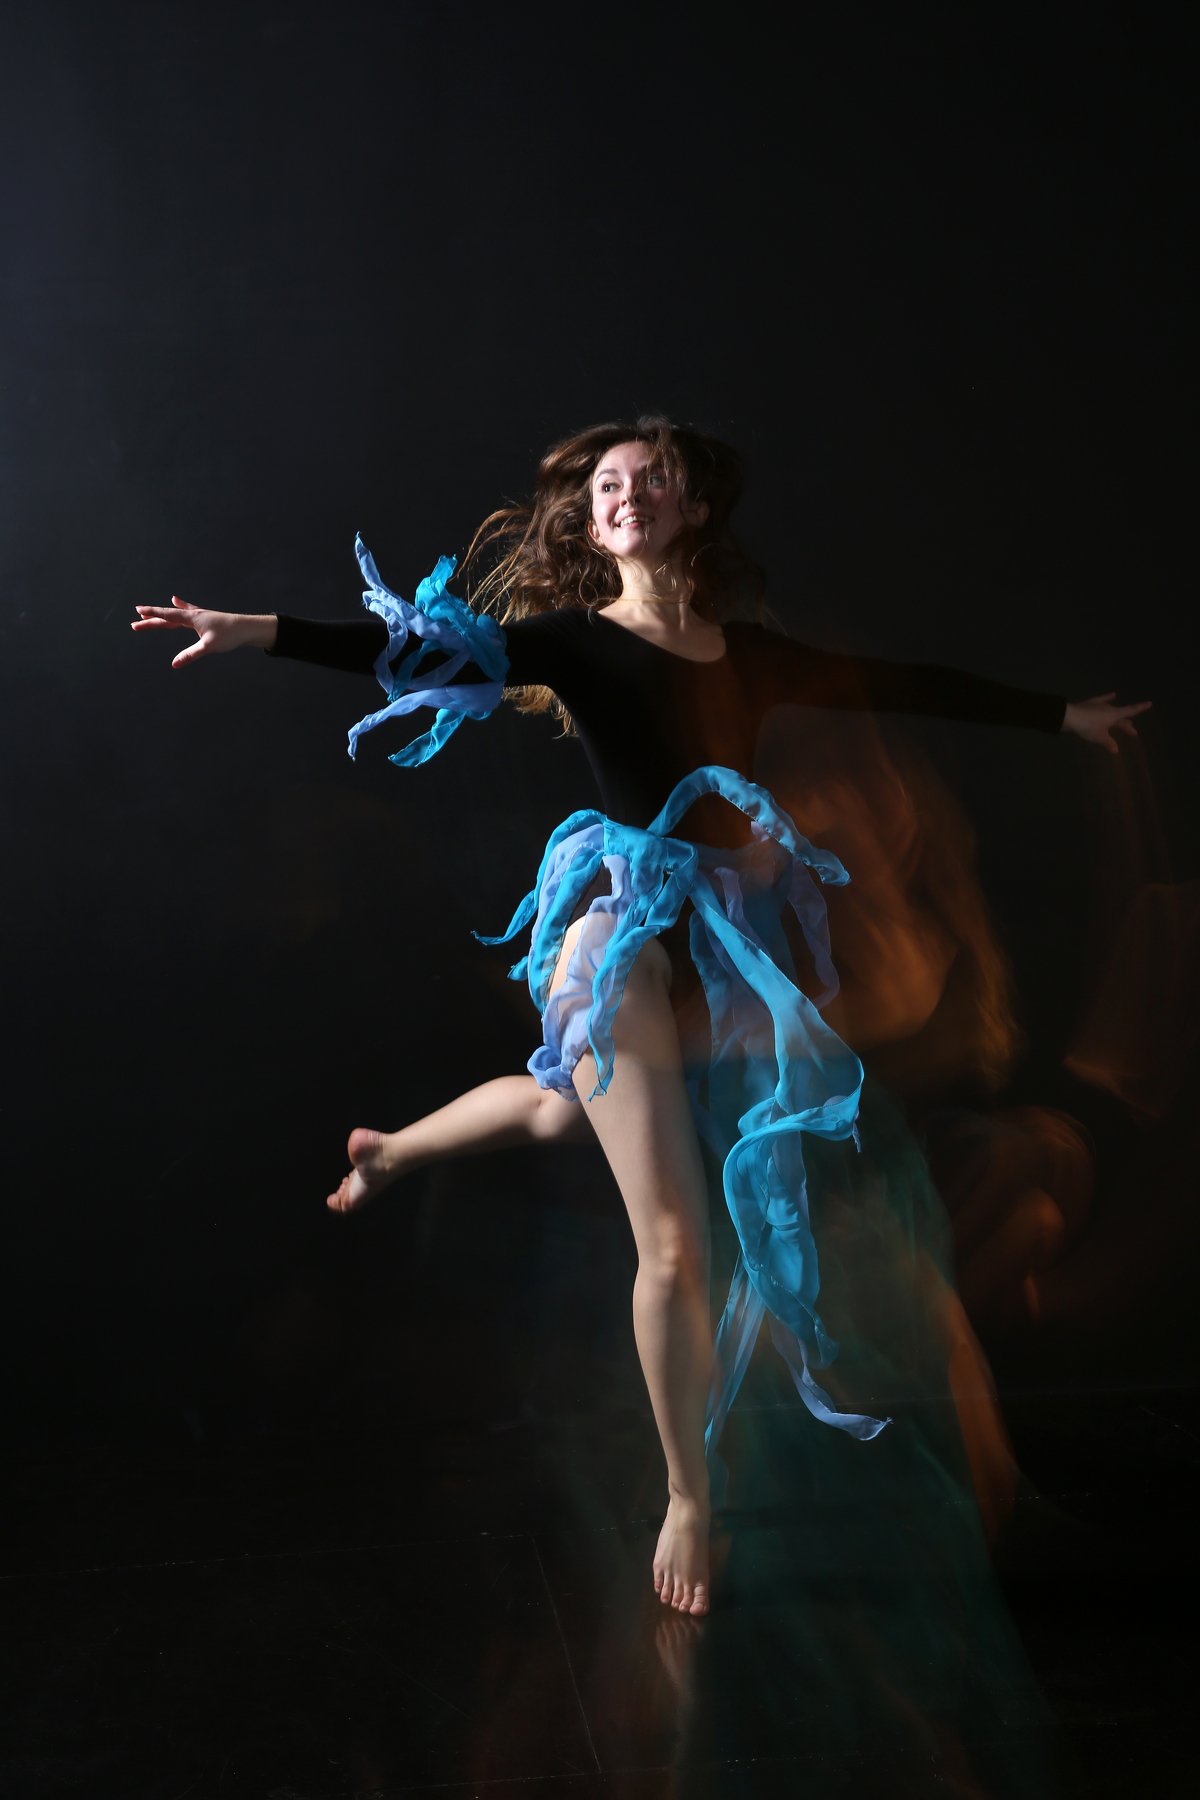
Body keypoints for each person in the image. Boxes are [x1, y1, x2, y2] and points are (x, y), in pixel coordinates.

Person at [132, 415, 1149, 1617]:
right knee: (673, 1242)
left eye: (649, 480)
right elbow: (407, 649)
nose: (624, 496)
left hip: (722, 950)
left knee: (566, 1115)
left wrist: (1062, 719)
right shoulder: (577, 640)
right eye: (606, 485)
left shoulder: (751, 654)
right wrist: (254, 630)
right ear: (591, 520)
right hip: (618, 944)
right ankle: (689, 1498)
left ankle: (392, 1150)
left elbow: (902, 686)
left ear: (691, 507)